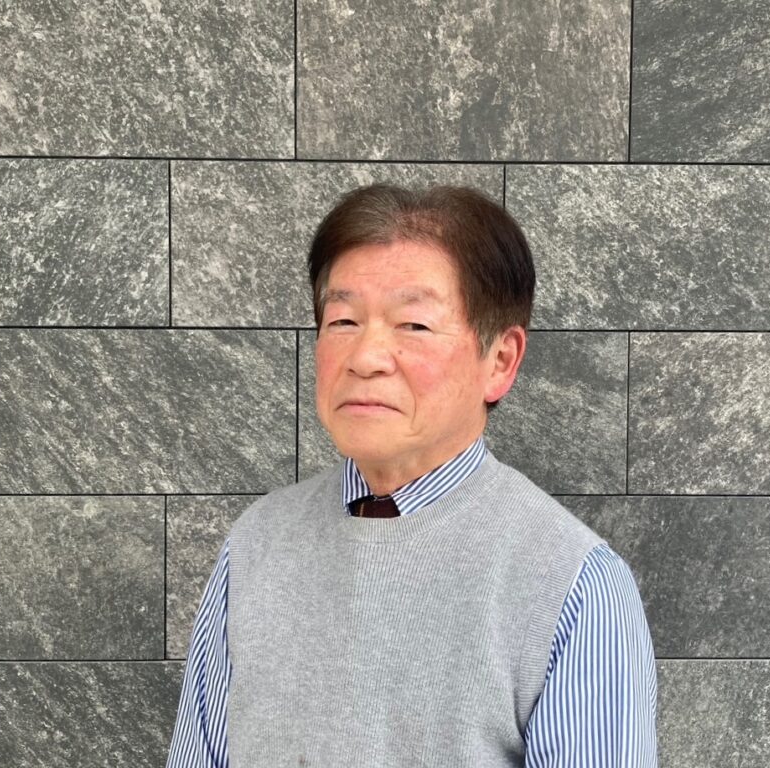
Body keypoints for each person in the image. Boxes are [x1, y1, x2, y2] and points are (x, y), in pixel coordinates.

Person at [166, 183, 658, 767]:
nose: (365, 357)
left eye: (414, 325)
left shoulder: (573, 583)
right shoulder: (257, 541)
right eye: (343, 320)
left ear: (500, 360)